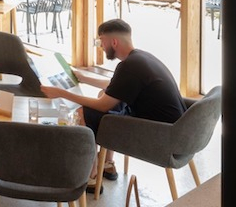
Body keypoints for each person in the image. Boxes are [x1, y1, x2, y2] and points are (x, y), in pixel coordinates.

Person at [40, 19, 187, 193]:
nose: (100, 46)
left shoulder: (129, 66)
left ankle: (91, 176)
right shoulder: (140, 58)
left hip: (160, 136)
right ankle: (108, 164)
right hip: (178, 130)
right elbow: (114, 85)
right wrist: (83, 77)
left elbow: (102, 106)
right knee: (107, 95)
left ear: (114, 42)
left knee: (83, 113)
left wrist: (61, 92)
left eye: (101, 41)